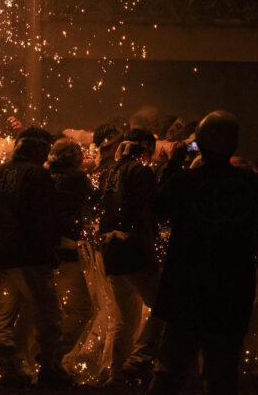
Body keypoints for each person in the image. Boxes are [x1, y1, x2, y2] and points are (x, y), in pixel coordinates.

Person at [148, 111, 258, 395]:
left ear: (200, 141)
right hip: (231, 290)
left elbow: (158, 207)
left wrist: (173, 165)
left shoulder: (186, 182)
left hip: (187, 288)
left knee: (170, 370)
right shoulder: (250, 184)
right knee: (222, 374)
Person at [0, 127, 71, 388]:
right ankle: (49, 367)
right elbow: (43, 217)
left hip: (0, 251)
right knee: (47, 312)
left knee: (1, 312)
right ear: (38, 148)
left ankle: (5, 367)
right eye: (46, 149)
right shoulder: (37, 174)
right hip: (29, 251)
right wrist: (50, 251)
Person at [100, 128, 164, 385]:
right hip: (133, 248)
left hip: (110, 250)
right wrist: (150, 252)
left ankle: (115, 374)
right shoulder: (141, 172)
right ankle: (140, 357)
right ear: (145, 149)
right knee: (165, 304)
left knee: (125, 317)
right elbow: (145, 215)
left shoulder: (109, 172)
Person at [47, 138, 95, 359]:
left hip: (43, 249)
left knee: (50, 310)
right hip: (65, 248)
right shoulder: (77, 179)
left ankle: (41, 356)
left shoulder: (44, 176)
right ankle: (52, 354)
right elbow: (94, 198)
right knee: (82, 309)